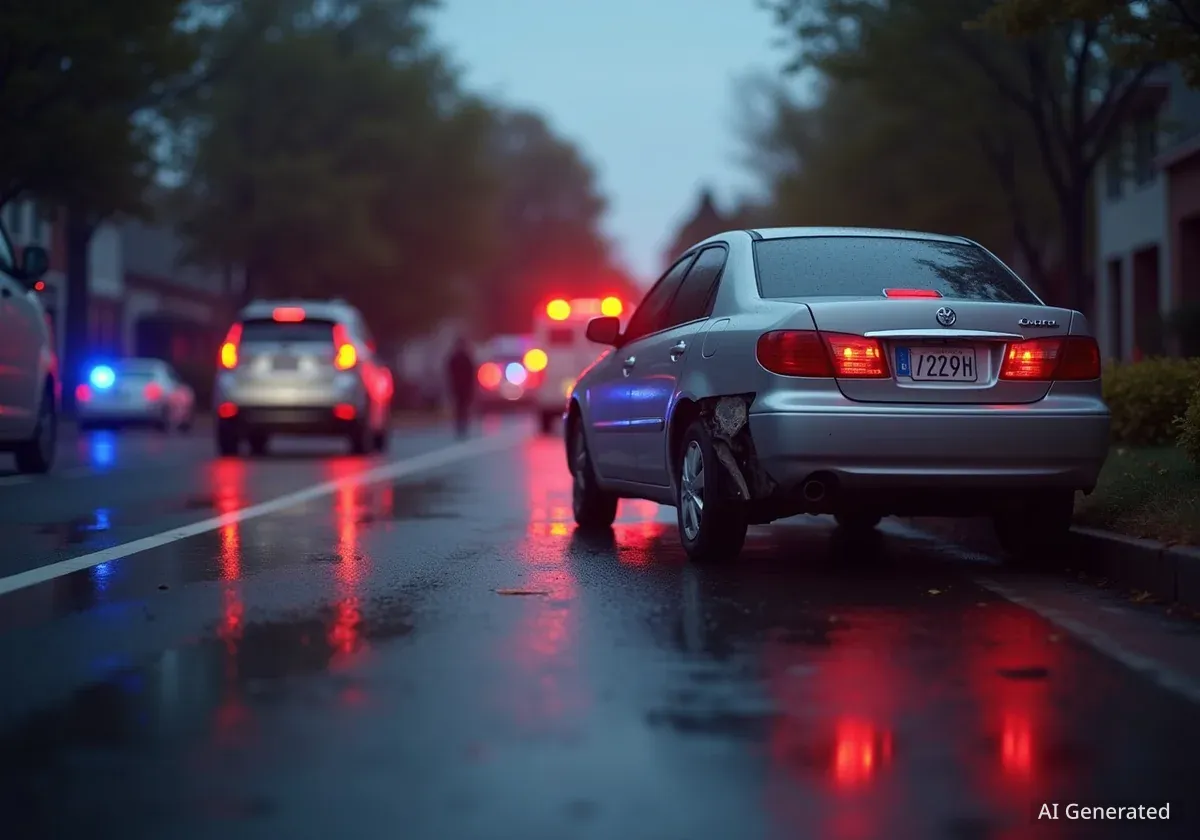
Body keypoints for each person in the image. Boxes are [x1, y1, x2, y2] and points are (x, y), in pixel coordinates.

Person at [445, 338, 476, 438]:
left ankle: (462, 425)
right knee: (460, 407)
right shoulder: (456, 358)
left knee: (462, 407)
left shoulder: (464, 358)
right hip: (458, 386)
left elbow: (471, 373)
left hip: (463, 387)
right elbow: (449, 373)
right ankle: (460, 426)